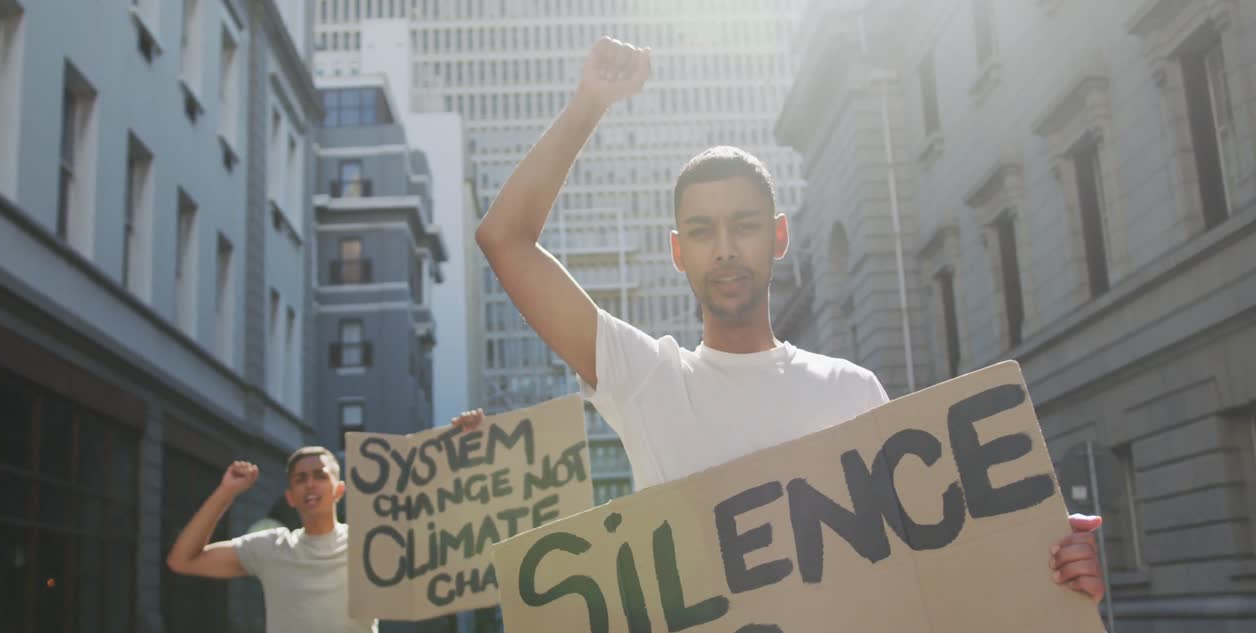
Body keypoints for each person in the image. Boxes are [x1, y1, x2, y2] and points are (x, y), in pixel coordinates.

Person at [473, 37, 1105, 602]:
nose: (724, 248)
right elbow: (505, 240)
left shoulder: (852, 391)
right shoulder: (648, 382)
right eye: (702, 231)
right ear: (677, 251)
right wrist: (590, 102)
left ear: (777, 238)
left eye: (743, 226)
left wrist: (1048, 569)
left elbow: (929, 576)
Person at [165, 413, 485, 633]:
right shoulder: (270, 548)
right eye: (301, 479)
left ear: (339, 490)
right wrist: (226, 492)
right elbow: (183, 559)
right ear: (291, 497)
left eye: (320, 476)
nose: (310, 484)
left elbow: (450, 530)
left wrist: (467, 446)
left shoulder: (372, 542)